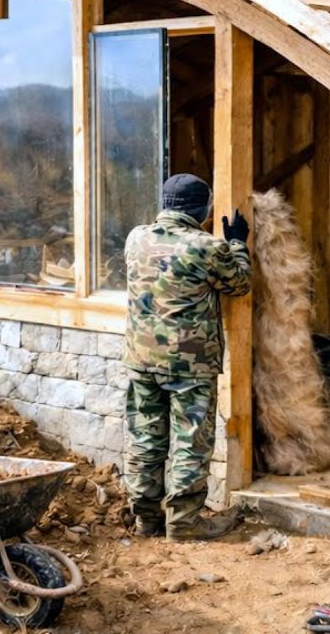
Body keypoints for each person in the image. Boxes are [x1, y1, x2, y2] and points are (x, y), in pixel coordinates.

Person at [122, 173, 252, 542]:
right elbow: (239, 283)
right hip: (189, 364)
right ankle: (184, 522)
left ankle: (146, 519)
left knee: (146, 438)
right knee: (189, 442)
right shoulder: (206, 246)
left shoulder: (136, 238)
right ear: (205, 210)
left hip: (142, 358)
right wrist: (238, 243)